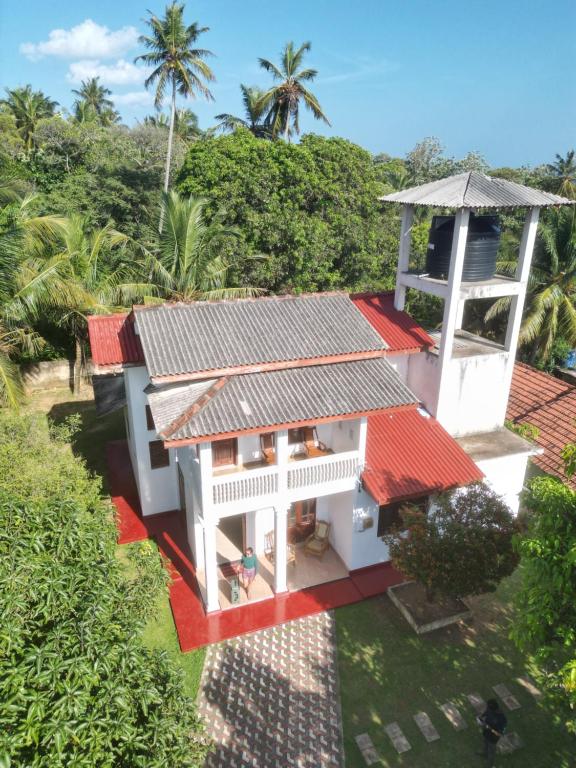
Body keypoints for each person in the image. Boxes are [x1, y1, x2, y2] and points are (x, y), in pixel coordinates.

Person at [477, 698, 507, 766]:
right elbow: (486, 712)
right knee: (485, 743)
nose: (487, 708)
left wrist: (489, 728)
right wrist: (481, 717)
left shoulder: (502, 719)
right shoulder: (489, 709)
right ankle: (484, 753)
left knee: (491, 751)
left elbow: (499, 734)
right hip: (486, 732)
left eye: (488, 708)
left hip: (493, 738)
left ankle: (489, 765)